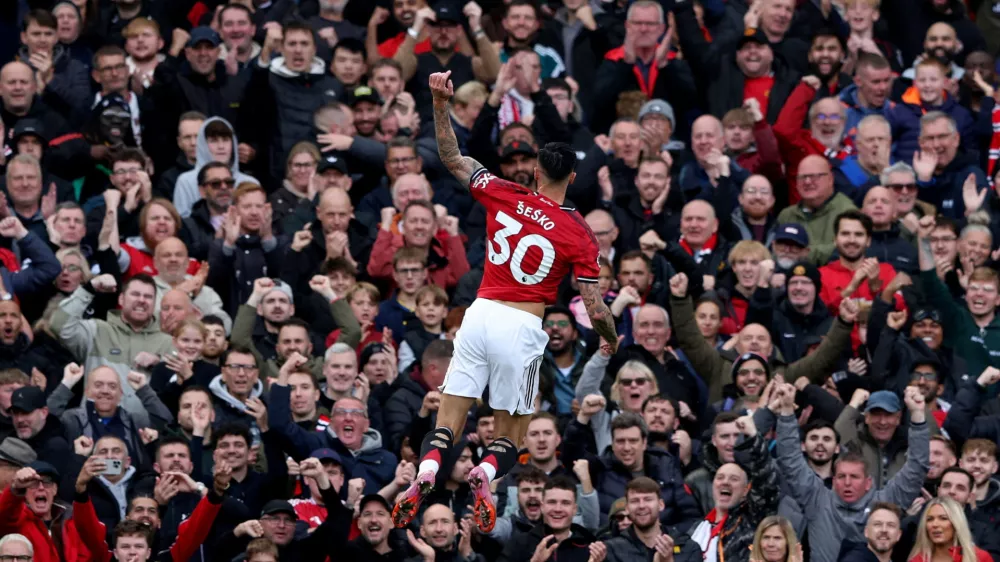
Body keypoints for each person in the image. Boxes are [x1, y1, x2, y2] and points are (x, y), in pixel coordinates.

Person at [393, 70, 618, 534]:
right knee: (514, 436)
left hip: (478, 315)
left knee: (450, 417)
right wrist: (611, 339)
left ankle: (429, 471)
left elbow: (451, 155)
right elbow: (594, 307)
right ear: (572, 177)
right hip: (522, 326)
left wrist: (439, 102)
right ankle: (486, 475)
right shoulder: (580, 234)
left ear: (535, 171)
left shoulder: (503, 192)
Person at [907, 497, 992, 562]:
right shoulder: (917, 560)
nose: (935, 524)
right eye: (929, 519)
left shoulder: (979, 558)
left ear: (957, 523)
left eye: (943, 518)